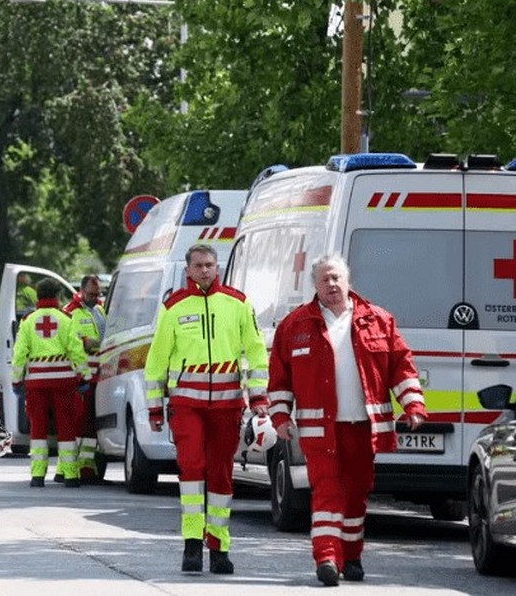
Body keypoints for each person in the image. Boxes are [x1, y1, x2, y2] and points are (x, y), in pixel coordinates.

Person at [269, 254, 426, 586]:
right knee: (327, 491)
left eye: (337, 277)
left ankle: (351, 554)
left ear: (348, 280)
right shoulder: (295, 325)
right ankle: (327, 558)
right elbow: (279, 379)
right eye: (325, 279)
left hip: (364, 427)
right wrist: (280, 416)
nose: (332, 284)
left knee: (356, 492)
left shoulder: (378, 320)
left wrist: (412, 405)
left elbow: (401, 366)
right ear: (315, 285)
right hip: (319, 430)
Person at [144, 243, 269, 575]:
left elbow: (257, 355)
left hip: (228, 405)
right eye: (198, 265)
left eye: (210, 264)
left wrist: (258, 399)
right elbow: (156, 362)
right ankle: (190, 544)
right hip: (187, 406)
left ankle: (219, 547)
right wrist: (155, 409)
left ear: (218, 267)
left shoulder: (238, 304)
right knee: (191, 468)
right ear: (187, 270)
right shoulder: (172, 307)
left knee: (221, 474)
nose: (204, 270)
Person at [12, 277, 90, 488]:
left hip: (36, 382)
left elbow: (19, 353)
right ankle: (71, 476)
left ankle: (38, 476)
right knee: (66, 426)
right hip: (63, 381)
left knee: (38, 427)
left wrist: (16, 380)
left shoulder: (28, 320)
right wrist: (85, 376)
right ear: (57, 296)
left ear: (37, 296)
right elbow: (76, 350)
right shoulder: (66, 318)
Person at [63, 274, 106, 482]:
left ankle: (87, 467)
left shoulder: (99, 310)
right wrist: (94, 342)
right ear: (81, 291)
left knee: (90, 424)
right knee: (78, 424)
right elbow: (75, 343)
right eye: (90, 293)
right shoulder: (70, 312)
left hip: (100, 374)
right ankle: (70, 468)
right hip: (81, 376)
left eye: (97, 293)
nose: (94, 297)